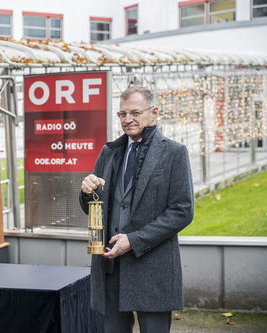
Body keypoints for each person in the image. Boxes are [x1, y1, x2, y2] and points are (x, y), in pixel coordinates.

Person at [79, 86, 194, 333]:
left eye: (134, 112)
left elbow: (182, 210)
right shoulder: (108, 152)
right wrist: (86, 192)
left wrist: (134, 240)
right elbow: (94, 207)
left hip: (152, 266)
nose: (127, 119)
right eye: (122, 114)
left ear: (154, 113)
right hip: (110, 266)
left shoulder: (174, 153)